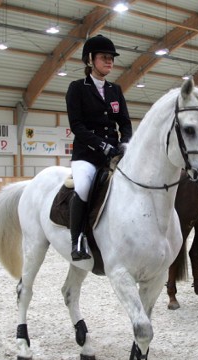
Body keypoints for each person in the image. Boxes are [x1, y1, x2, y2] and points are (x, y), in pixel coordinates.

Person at [65, 35, 132, 260]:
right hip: (87, 154)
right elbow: (77, 126)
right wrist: (102, 145)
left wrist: (125, 144)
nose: (110, 61)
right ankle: (78, 241)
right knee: (83, 187)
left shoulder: (115, 89)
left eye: (111, 58)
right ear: (90, 60)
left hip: (114, 152)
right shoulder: (77, 88)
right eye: (104, 57)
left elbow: (124, 122)